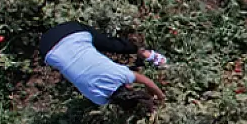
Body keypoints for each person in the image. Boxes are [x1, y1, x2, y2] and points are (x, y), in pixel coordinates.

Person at [38, 22, 167, 107]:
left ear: (128, 86)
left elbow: (148, 82)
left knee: (108, 44)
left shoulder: (120, 75)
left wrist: (162, 99)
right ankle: (142, 52)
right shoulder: (99, 99)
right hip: (47, 49)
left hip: (70, 31)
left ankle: (143, 53)